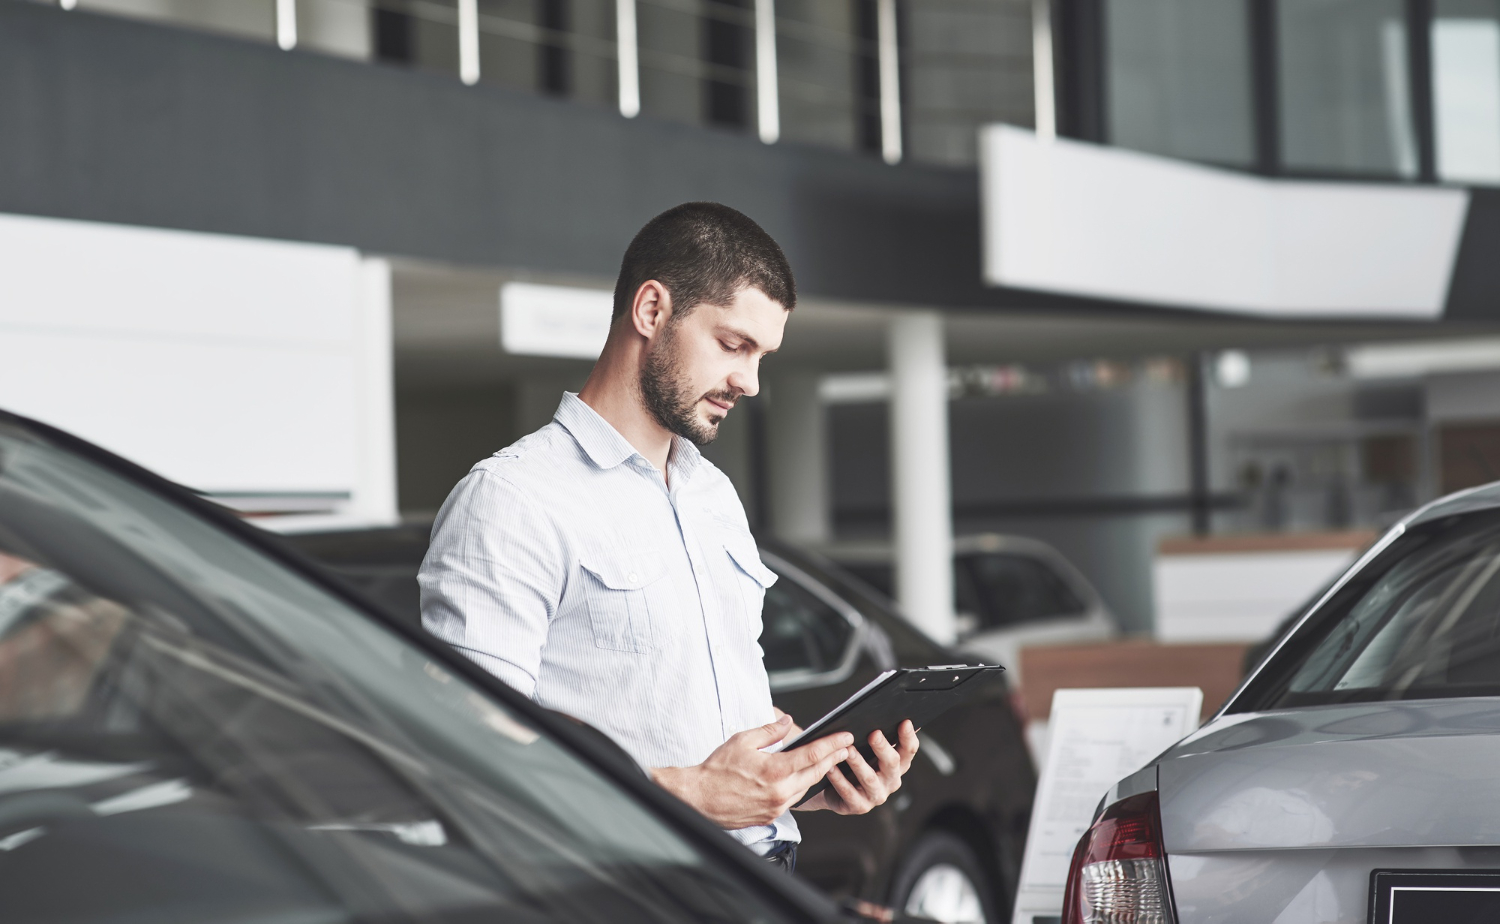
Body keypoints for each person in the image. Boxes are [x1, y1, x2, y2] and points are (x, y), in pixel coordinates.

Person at [419, 202, 918, 871]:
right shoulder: (511, 501)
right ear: (652, 310)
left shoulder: (713, 496)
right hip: (630, 891)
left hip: (766, 878)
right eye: (734, 345)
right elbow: (469, 762)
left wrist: (802, 783)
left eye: (763, 356)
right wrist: (695, 795)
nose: (750, 381)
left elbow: (696, 724)